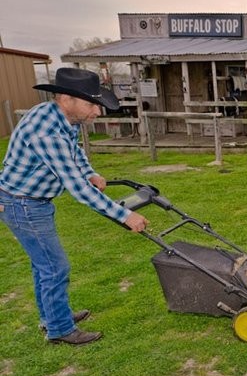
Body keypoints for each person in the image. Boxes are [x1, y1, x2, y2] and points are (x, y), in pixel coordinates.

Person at [0, 68, 149, 346]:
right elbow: (78, 190)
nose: (97, 112)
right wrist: (125, 215)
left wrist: (90, 172)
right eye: (92, 104)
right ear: (67, 98)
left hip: (32, 201)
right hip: (22, 203)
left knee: (43, 266)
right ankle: (59, 329)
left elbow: (75, 151)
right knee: (55, 267)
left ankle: (53, 317)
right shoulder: (46, 131)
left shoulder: (63, 121)